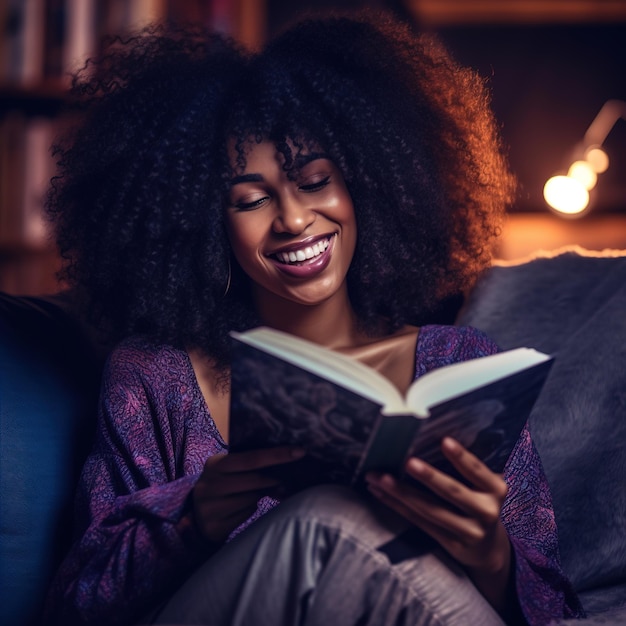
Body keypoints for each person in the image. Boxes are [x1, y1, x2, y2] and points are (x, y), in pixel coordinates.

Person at [44, 10, 583, 626]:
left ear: (369, 186)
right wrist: (191, 519)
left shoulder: (462, 365)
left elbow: (557, 609)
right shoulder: (157, 377)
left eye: (315, 181)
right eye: (250, 199)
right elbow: (75, 604)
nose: (294, 219)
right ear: (202, 225)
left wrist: (491, 555)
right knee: (329, 518)